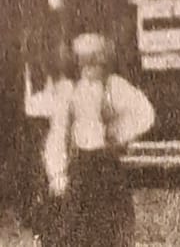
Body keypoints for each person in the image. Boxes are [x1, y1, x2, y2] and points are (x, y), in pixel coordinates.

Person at [41, 32, 155, 247]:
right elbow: (58, 133)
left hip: (106, 168)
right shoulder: (69, 92)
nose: (90, 68)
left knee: (112, 230)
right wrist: (57, 173)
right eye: (85, 62)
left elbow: (145, 112)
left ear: (104, 62)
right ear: (76, 64)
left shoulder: (113, 86)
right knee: (74, 230)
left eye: (96, 62)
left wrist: (119, 131)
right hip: (79, 168)